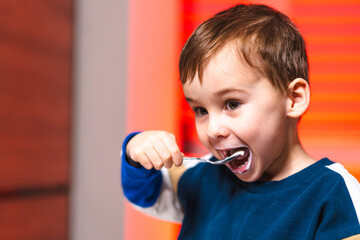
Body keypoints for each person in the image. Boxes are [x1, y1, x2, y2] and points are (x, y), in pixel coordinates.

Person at [121, 4, 360, 240]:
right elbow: (145, 193)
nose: (213, 130)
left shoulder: (332, 192)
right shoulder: (202, 176)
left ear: (293, 99)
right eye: (201, 110)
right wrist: (135, 151)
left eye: (232, 104)